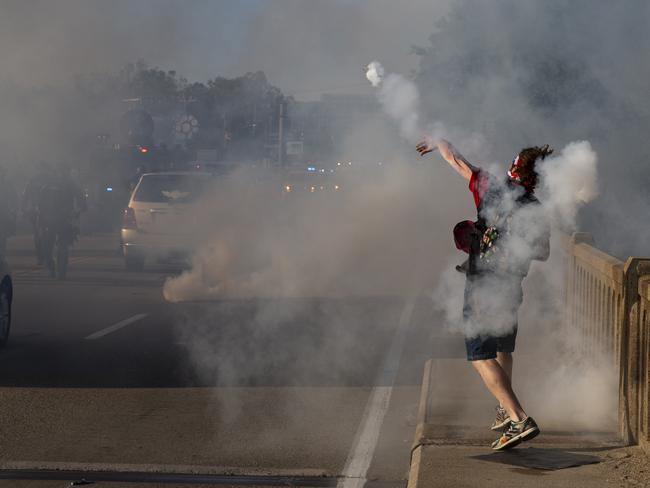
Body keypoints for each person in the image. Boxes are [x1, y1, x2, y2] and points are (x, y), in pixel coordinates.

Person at [417, 138, 551, 450]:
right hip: (512, 286)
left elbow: (458, 162)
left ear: (514, 168)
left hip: (484, 286)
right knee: (503, 347)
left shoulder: (493, 188)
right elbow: (542, 253)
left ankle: (519, 418)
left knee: (479, 354)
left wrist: (440, 141)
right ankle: (505, 409)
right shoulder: (537, 209)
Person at [36, 164, 86, 278]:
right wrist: (40, 216)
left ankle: (61, 270)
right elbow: (40, 203)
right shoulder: (48, 186)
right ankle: (52, 268)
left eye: (64, 172)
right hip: (49, 220)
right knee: (46, 248)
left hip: (65, 220)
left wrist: (77, 212)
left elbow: (82, 201)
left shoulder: (71, 185)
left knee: (62, 247)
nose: (62, 174)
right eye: (60, 172)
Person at [0, 166, 17, 256]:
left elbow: (14, 198)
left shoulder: (8, 185)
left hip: (4, 212)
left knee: (2, 236)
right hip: (5, 212)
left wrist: (13, 210)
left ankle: (2, 254)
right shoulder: (8, 185)